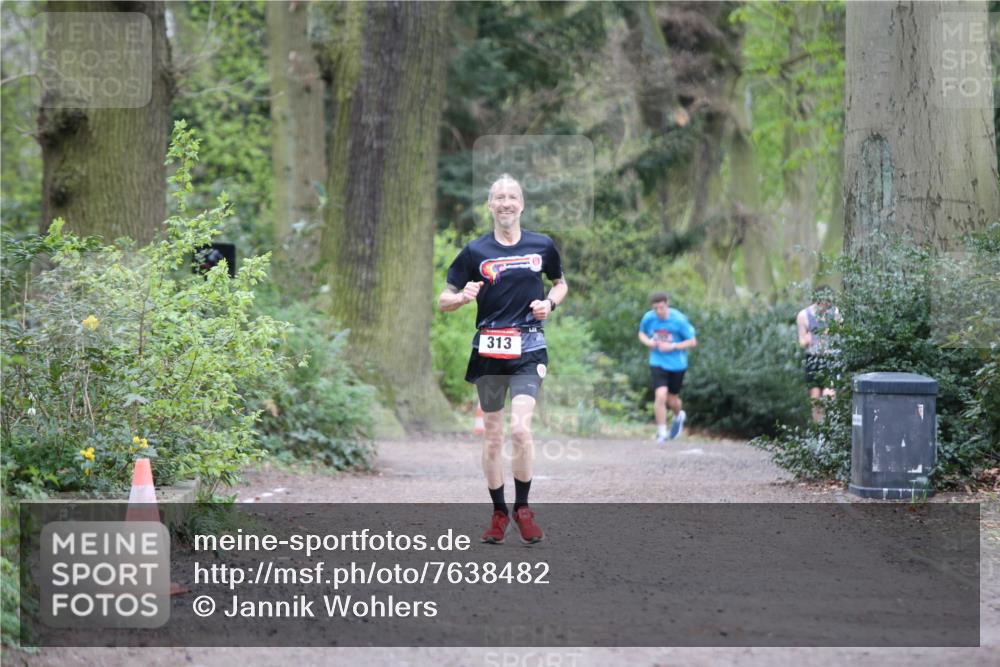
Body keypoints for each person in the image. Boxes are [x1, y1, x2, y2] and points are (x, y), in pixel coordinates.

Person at [438, 174, 567, 545]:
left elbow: (560, 283)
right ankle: (498, 513)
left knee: (520, 430)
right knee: (493, 437)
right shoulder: (475, 251)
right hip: (489, 352)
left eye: (512, 197)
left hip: (528, 347)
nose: (506, 203)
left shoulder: (542, 245)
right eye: (499, 197)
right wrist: (462, 297)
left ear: (521, 205)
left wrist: (549, 304)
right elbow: (443, 300)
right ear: (490, 205)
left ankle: (523, 509)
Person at [638, 292, 697, 444]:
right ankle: (662, 433)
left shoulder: (679, 320)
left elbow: (692, 341)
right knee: (660, 395)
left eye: (662, 307)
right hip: (657, 362)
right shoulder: (649, 318)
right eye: (655, 308)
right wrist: (648, 342)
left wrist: (672, 346)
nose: (659, 311)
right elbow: (641, 333)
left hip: (677, 364)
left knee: (673, 400)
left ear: (667, 304)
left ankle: (679, 416)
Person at [797, 285, 841, 422]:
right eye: (824, 301)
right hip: (813, 359)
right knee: (815, 399)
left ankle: (832, 426)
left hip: (831, 359)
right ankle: (819, 430)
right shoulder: (804, 315)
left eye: (829, 301)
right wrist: (809, 339)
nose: (827, 304)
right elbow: (802, 341)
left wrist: (833, 331)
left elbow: (840, 334)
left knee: (829, 395)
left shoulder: (835, 313)